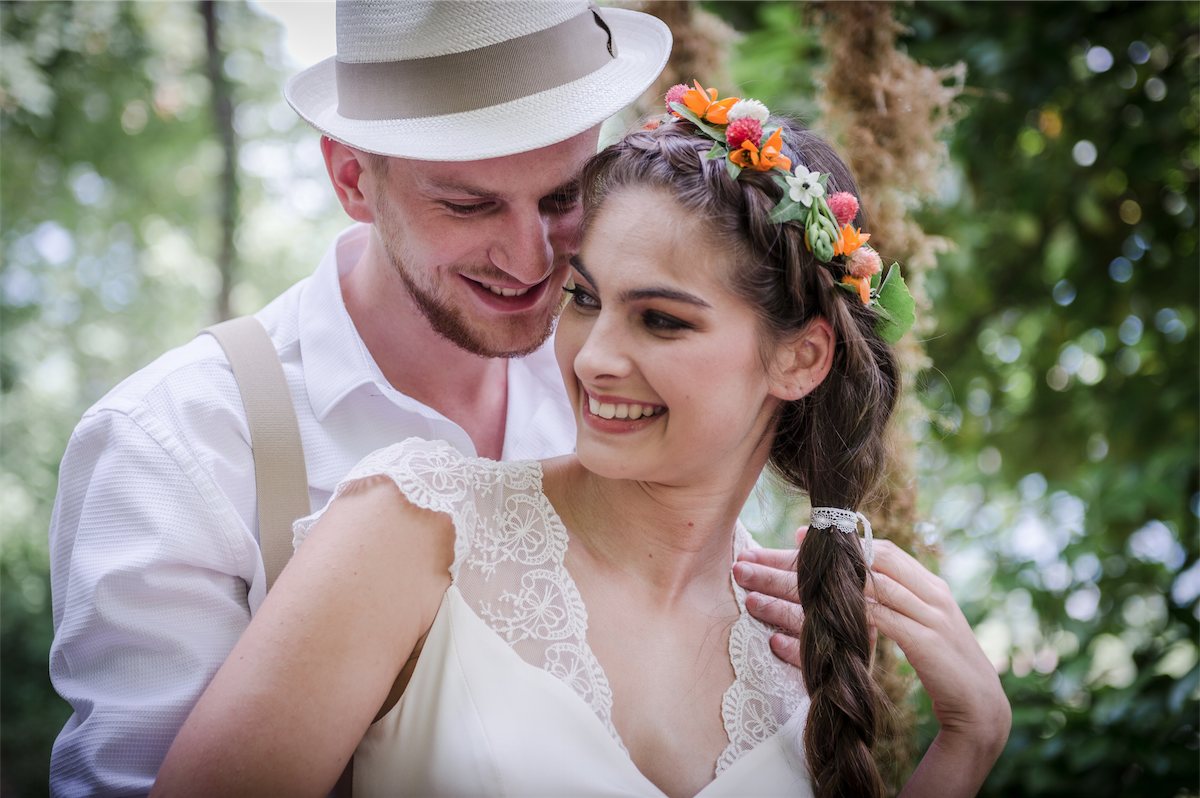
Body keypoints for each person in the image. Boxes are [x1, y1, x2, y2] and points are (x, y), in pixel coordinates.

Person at [153, 91, 1011, 797]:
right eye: (588, 299)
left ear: (800, 356)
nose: (594, 358)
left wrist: (968, 743)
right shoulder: (414, 528)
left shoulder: (798, 652)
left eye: (662, 320)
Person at [48, 2, 686, 795]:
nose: (531, 259)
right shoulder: (173, 444)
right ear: (353, 178)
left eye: (563, 198)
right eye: (469, 204)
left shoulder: (628, 388)